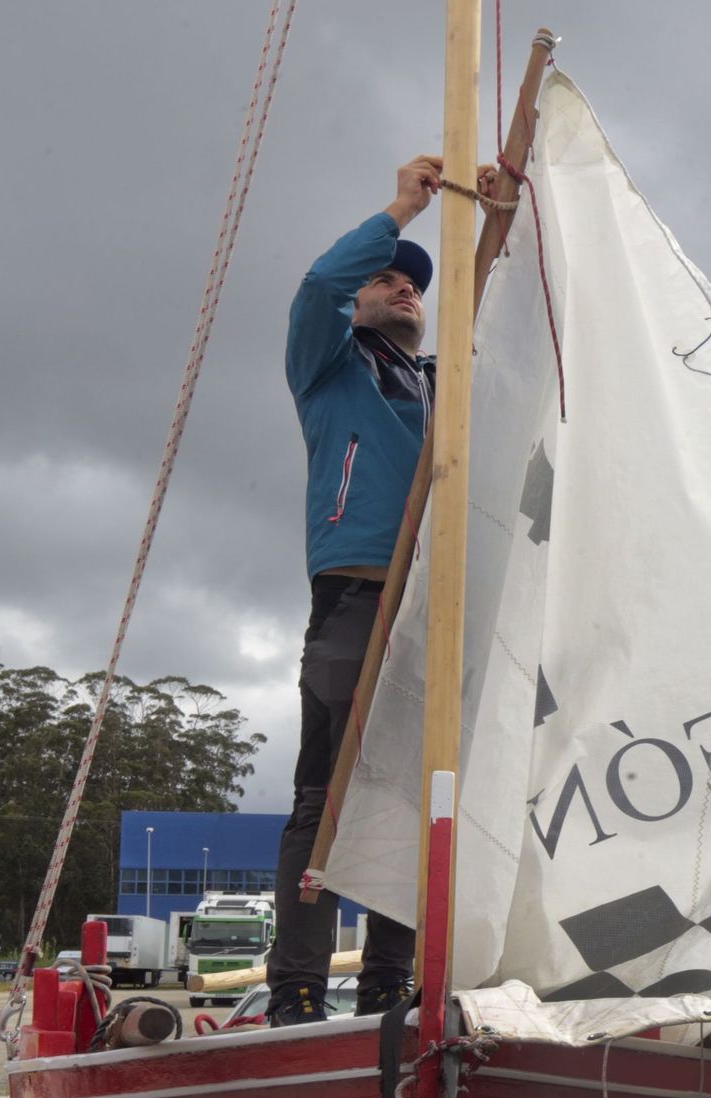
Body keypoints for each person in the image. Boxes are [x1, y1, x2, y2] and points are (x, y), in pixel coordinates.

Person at [271, 154, 489, 1026]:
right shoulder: (328, 366)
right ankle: (296, 991)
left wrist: (501, 230)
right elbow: (320, 286)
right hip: (358, 599)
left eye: (415, 285)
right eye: (388, 279)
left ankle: (390, 987)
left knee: (415, 798)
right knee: (326, 794)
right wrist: (400, 211)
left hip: (434, 613)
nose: (404, 288)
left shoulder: (447, 387)